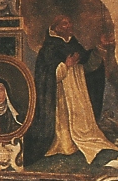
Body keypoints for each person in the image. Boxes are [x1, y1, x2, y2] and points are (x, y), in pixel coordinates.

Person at [25, 14, 117, 166]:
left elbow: (88, 64)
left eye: (69, 23)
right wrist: (66, 65)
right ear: (55, 28)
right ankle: (63, 143)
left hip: (76, 90)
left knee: (82, 125)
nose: (68, 26)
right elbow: (47, 75)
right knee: (64, 124)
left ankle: (80, 140)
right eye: (64, 24)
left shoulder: (73, 43)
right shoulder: (49, 48)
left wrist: (99, 48)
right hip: (61, 92)